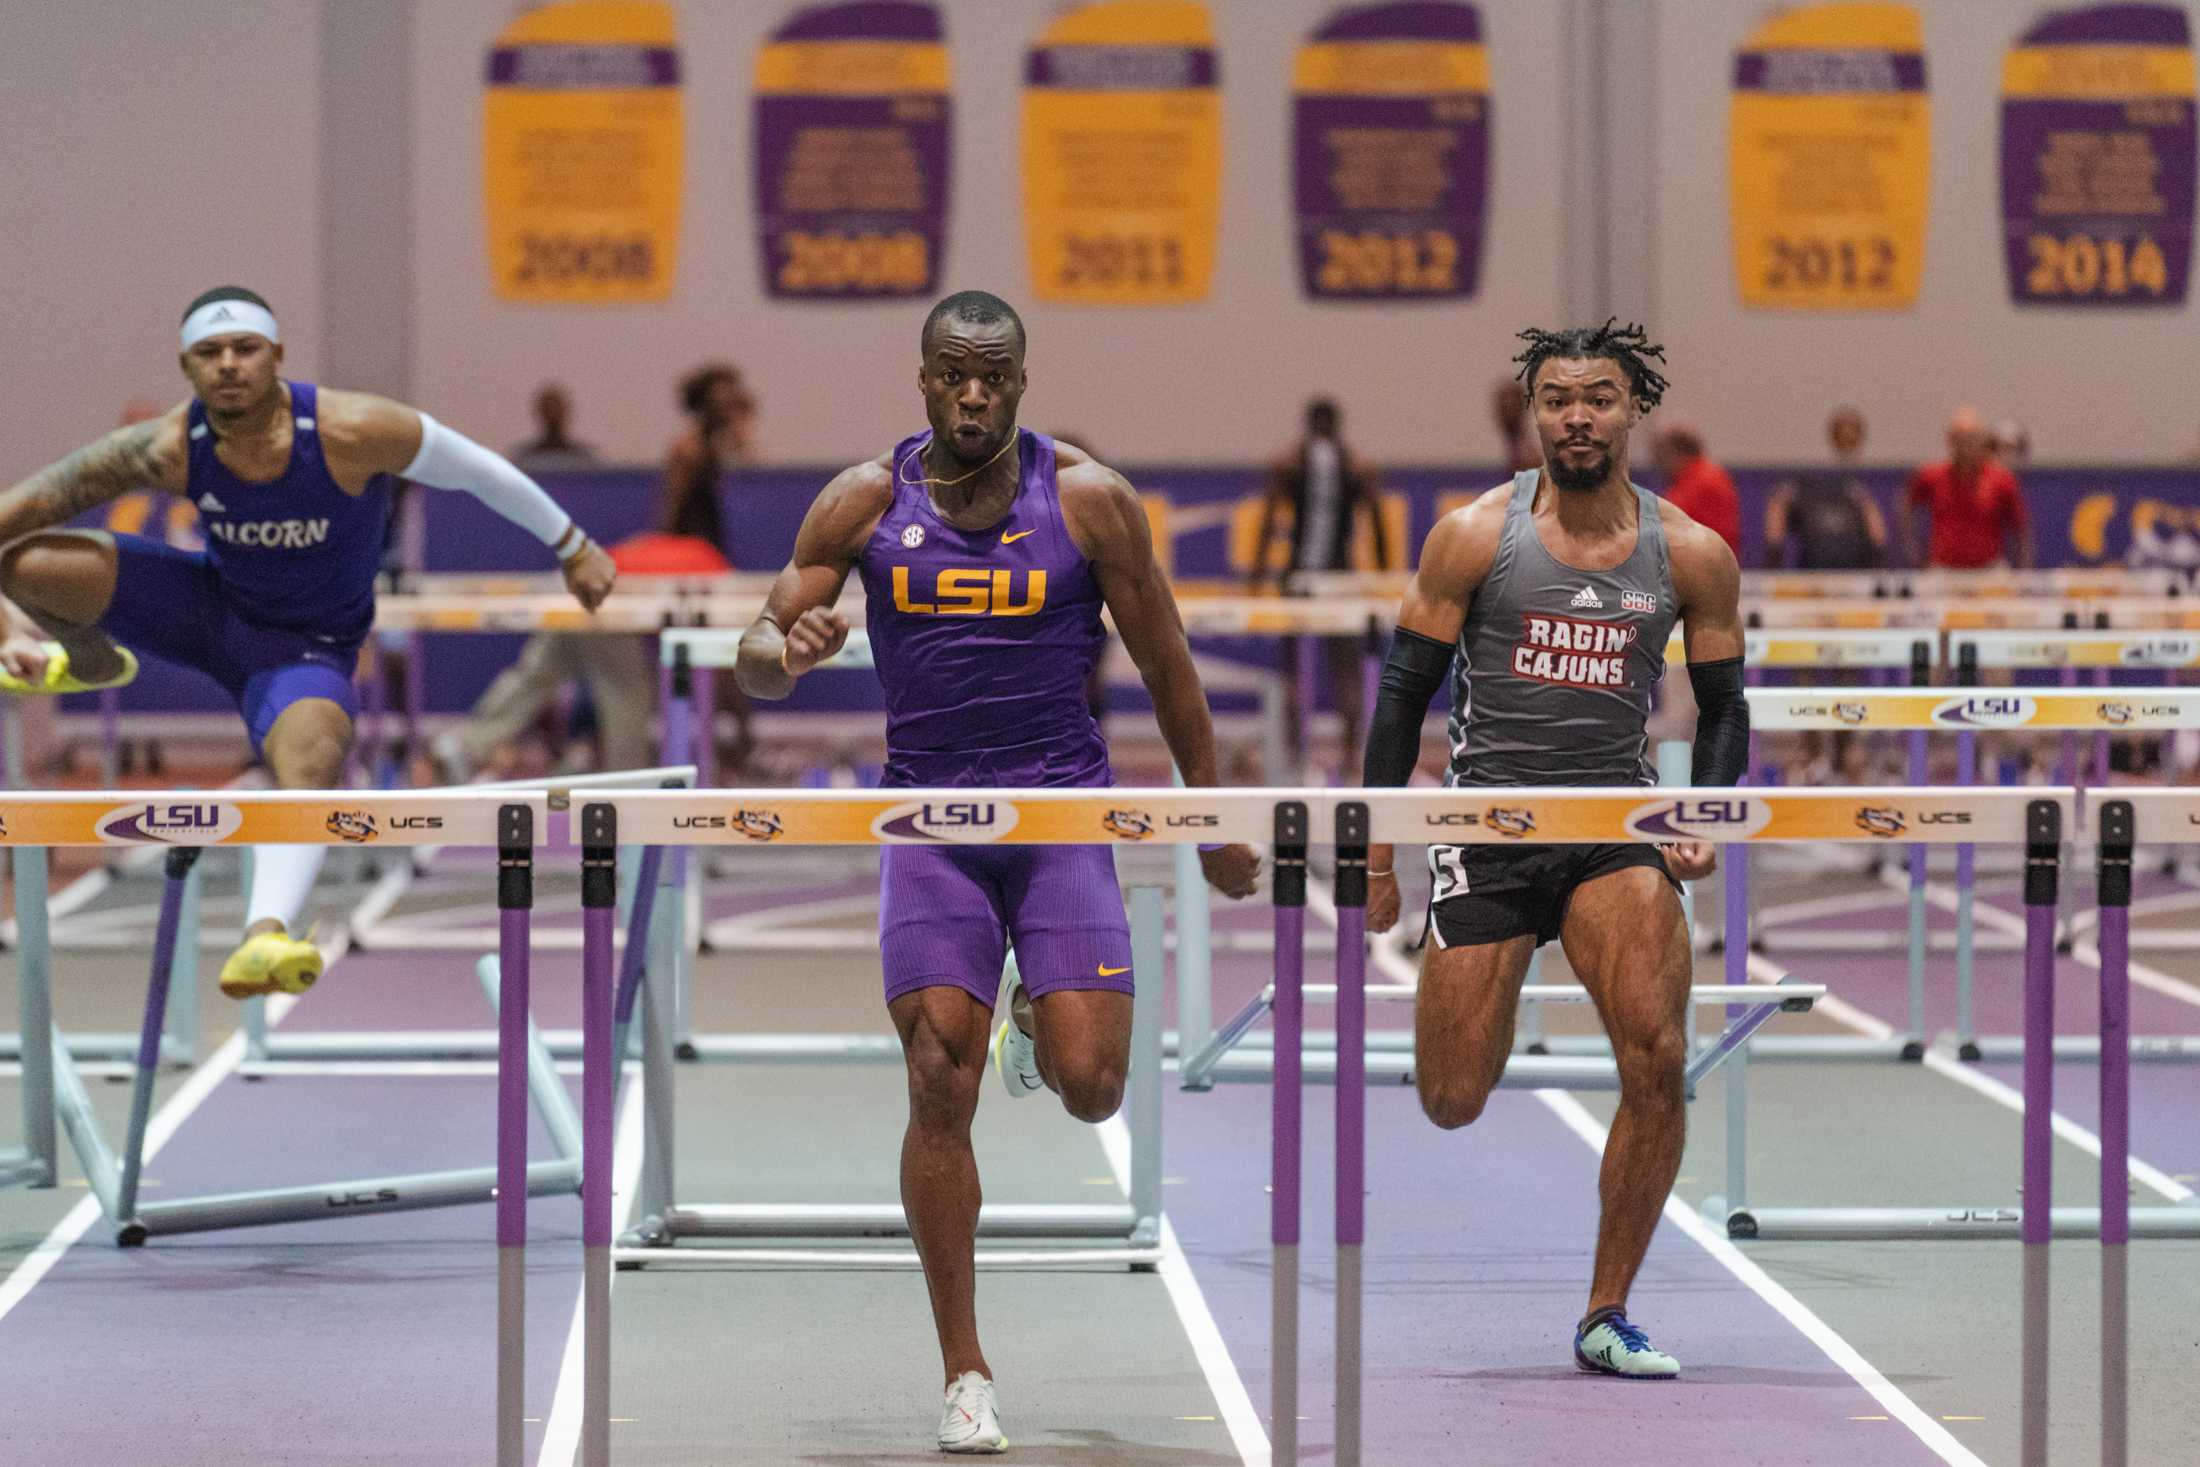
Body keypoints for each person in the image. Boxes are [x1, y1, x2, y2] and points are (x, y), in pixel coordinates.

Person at [733, 290, 1261, 1453]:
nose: (975, 395)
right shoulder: (862, 500)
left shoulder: (1087, 500)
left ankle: (1039, 1014)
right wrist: (785, 645)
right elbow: (757, 657)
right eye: (953, 375)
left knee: (1092, 1088)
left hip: (1058, 810)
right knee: (936, 1079)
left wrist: (1211, 816)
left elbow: (1168, 663)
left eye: (996, 376)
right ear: (922, 377)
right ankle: (964, 1368)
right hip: (926, 821)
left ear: (1022, 377)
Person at [0, 286, 616, 999]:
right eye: (210, 353)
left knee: (313, 757)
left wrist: (573, 544)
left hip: (304, 648)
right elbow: (31, 503)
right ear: (188, 366)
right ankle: (90, 659)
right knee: (28, 560)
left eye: (245, 349)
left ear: (277, 356)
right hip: (205, 607)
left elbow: (476, 469)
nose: (229, 365)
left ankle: (265, 933)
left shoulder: (352, 430)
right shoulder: (170, 445)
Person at [1360, 320, 1747, 1379]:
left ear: (1632, 411)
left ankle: (1606, 1312)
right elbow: (1402, 697)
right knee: (1449, 1097)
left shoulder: (1691, 553)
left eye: (1599, 398)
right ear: (1531, 413)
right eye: (1557, 399)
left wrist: (1702, 814)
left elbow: (1722, 708)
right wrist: (1377, 846)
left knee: (1658, 1062)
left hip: (1613, 832)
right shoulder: (1473, 537)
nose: (1577, 415)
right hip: (1486, 828)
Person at [1250, 398, 1390, 778]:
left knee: (1294, 670)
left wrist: (1256, 579)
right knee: (1346, 671)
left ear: (1308, 425)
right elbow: (1377, 525)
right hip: (1338, 575)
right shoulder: (1356, 465)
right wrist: (1382, 575)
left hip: (1298, 575)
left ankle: (1297, 758)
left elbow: (1266, 523)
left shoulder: (1289, 463)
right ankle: (1349, 757)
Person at [1902, 405, 2031, 569]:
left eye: (1972, 439)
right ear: (1950, 441)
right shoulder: (1931, 475)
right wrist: (1911, 547)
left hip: (1989, 570)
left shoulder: (2002, 479)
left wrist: (2022, 572)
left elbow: (2021, 530)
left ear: (1982, 441)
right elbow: (1906, 505)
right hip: (1943, 569)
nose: (1966, 445)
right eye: (1960, 439)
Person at [1763, 405, 1885, 570]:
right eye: (1842, 434)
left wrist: (1879, 557)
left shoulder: (1864, 490)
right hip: (1814, 567)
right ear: (1833, 436)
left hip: (1855, 567)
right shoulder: (1807, 481)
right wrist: (1774, 552)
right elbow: (1778, 505)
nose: (1848, 440)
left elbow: (1877, 529)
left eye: (1853, 435)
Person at [1652, 423, 1740, 560]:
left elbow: (1664, 525)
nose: (1659, 465)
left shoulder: (1699, 481)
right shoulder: (1710, 474)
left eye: (1662, 457)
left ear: (1677, 453)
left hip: (1705, 565)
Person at [509, 383, 599, 470]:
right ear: (540, 413)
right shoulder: (525, 461)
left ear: (565, 413)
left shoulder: (583, 460)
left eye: (556, 409)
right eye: (548, 409)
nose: (553, 414)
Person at [1491, 377, 1542, 474]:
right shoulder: (1513, 444)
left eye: (1514, 405)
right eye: (1503, 407)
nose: (1508, 412)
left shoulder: (1531, 449)